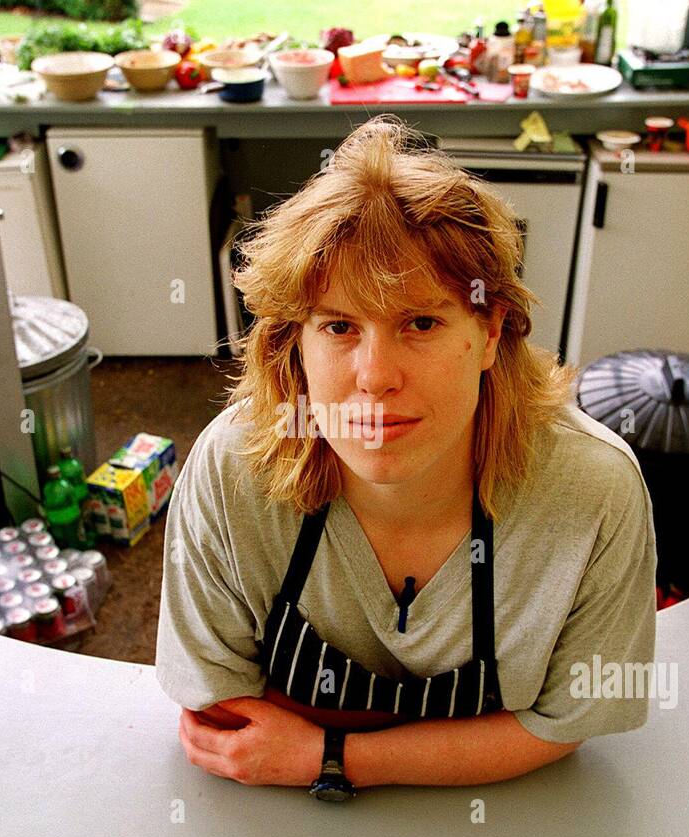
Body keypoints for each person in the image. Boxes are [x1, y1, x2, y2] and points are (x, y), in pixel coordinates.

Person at [155, 115, 656, 799]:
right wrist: (481, 730)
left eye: (420, 322)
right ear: (291, 343)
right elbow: (224, 725)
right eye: (338, 325)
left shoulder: (593, 491)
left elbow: (563, 724)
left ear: (490, 331)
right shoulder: (231, 470)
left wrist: (329, 752)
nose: (375, 375)